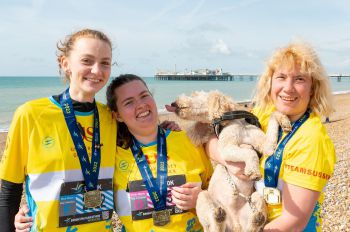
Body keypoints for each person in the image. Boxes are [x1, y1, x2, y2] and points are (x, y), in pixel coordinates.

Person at [206, 41, 336, 231]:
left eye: (299, 79)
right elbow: (210, 141)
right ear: (270, 81)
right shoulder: (262, 113)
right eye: (281, 77)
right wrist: (230, 162)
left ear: (313, 88)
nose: (288, 88)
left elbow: (293, 222)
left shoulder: (312, 138)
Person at [0, 29, 118, 231]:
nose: (97, 70)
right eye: (87, 61)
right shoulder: (31, 114)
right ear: (65, 64)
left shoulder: (112, 117)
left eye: (105, 63)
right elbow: (9, 190)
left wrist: (169, 128)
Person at [106, 74, 213, 231]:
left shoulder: (188, 140)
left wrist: (202, 198)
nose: (141, 105)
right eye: (129, 102)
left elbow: (220, 190)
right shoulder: (112, 153)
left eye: (144, 96)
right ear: (118, 115)